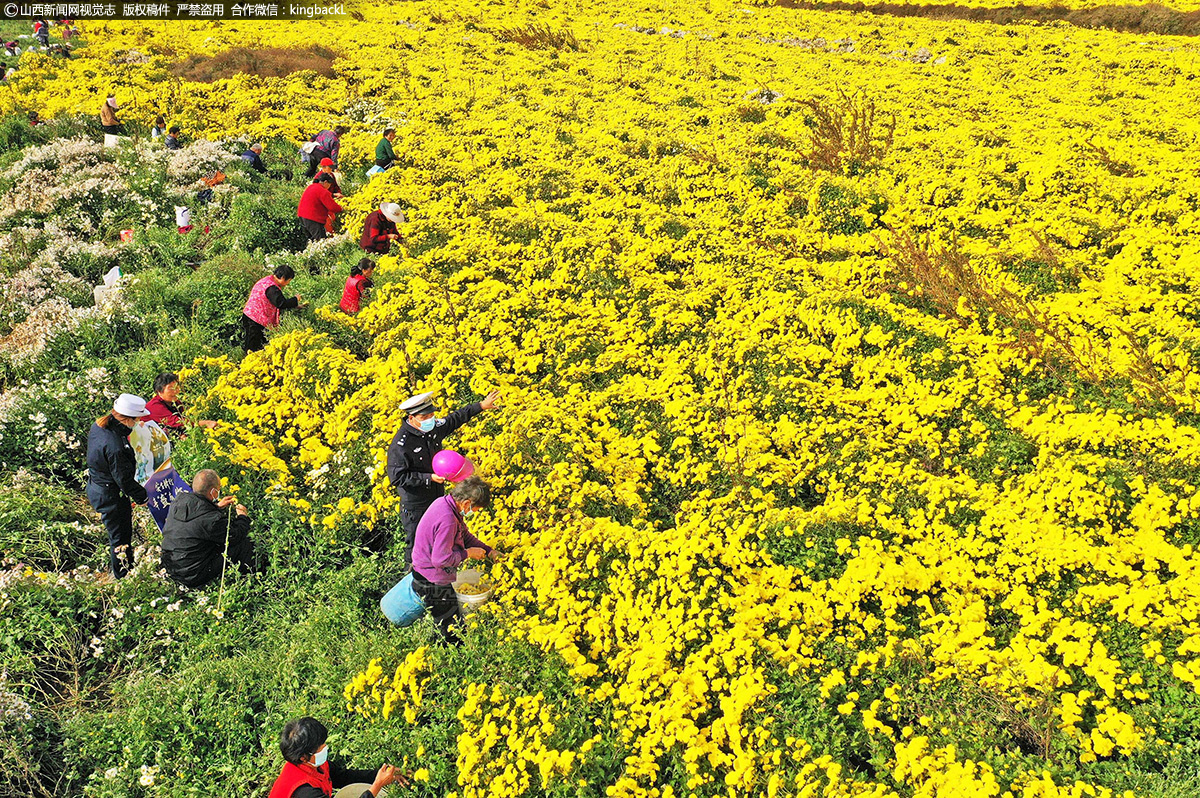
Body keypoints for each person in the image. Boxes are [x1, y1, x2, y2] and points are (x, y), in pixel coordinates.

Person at [386, 389, 499, 561]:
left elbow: (455, 419)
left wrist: (481, 406)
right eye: (425, 417)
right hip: (417, 504)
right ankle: (412, 580)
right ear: (412, 418)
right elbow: (397, 477)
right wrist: (428, 478)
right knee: (418, 545)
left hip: (437, 497)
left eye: (431, 415)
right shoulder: (401, 443)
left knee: (444, 536)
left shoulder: (432, 428)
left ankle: (441, 569)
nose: (430, 419)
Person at [411, 477, 501, 644]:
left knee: (445, 618)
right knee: (452, 626)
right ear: (467, 503)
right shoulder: (448, 520)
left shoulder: (445, 503)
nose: (475, 512)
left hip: (426, 573)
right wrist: (468, 554)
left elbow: (464, 536)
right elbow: (440, 559)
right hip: (432, 579)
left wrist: (489, 551)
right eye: (476, 509)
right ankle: (454, 657)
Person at [160, 469, 262, 589]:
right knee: (243, 544)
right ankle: (253, 578)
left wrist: (216, 507)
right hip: (192, 574)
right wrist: (242, 517)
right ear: (213, 492)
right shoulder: (212, 521)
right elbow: (235, 535)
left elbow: (196, 517)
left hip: (171, 565)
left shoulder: (179, 501)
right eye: (218, 490)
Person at [86, 394, 150, 579]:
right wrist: (142, 497)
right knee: (120, 537)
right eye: (137, 420)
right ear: (127, 419)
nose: (138, 423)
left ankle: (125, 569)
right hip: (110, 496)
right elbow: (123, 479)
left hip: (98, 487)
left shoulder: (100, 425)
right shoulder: (115, 446)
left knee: (119, 533)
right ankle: (124, 577)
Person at [269, 717, 403, 798]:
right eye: (320, 746)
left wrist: (381, 775)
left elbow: (344, 777)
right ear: (304, 757)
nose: (325, 747)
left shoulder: (312, 764)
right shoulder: (304, 791)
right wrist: (377, 786)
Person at [242, 265, 304, 352]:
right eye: (289, 280)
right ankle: (247, 364)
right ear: (283, 278)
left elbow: (275, 302)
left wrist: (295, 306)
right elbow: (281, 303)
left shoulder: (267, 280)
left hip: (251, 316)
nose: (288, 283)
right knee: (253, 347)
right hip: (255, 319)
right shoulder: (271, 287)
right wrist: (295, 299)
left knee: (258, 345)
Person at [145, 372, 216, 433]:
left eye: (176, 387)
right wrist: (205, 423)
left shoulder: (176, 402)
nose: (175, 391)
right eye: (170, 388)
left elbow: (185, 418)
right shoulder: (154, 406)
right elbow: (177, 422)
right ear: (159, 391)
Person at [297, 173, 342, 241]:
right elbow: (333, 207)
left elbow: (319, 195)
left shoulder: (312, 186)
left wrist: (333, 195)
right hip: (313, 219)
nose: (329, 187)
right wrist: (342, 208)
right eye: (329, 185)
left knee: (312, 241)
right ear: (325, 182)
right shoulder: (323, 191)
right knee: (321, 241)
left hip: (302, 217)